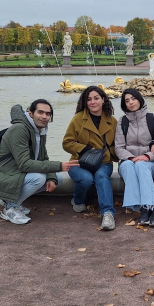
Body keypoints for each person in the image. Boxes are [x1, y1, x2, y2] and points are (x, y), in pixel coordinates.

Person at [0, 99, 79, 224]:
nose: (44, 117)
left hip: (16, 172)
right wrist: (59, 165)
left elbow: (43, 158)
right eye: (40, 112)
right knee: (38, 178)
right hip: (4, 174)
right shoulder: (19, 129)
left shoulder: (39, 131)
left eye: (48, 114)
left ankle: (8, 200)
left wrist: (51, 177)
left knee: (57, 178)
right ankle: (9, 208)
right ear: (30, 113)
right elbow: (24, 164)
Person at [63, 86, 119, 231]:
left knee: (101, 176)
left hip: (103, 162)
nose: (92, 102)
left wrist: (107, 154)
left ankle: (108, 213)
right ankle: (78, 200)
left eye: (96, 98)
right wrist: (85, 149)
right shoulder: (78, 119)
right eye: (89, 99)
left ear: (103, 99)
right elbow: (67, 143)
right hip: (79, 161)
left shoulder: (112, 121)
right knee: (86, 179)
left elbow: (117, 146)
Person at [115, 88, 154, 227]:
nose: (131, 102)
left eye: (133, 98)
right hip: (129, 161)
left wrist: (146, 156)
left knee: (141, 165)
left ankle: (152, 207)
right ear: (124, 104)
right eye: (127, 100)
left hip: (151, 163)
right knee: (127, 165)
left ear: (139, 99)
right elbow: (118, 148)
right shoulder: (122, 122)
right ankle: (145, 208)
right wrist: (132, 158)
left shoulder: (153, 119)